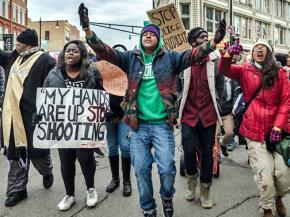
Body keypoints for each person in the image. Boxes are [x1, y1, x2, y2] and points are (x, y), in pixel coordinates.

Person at [78, 3, 226, 217]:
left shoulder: (172, 58)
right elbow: (105, 51)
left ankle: (167, 197)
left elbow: (195, 54)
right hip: (137, 127)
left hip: (162, 126)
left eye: (152, 34)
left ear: (158, 39)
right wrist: (87, 30)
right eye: (145, 34)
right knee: (141, 170)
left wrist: (214, 42)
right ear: (141, 39)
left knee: (167, 170)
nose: (147, 36)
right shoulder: (130, 58)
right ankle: (148, 208)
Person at [219, 40, 290, 217]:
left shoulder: (280, 73)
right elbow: (224, 70)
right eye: (256, 48)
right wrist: (227, 54)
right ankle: (266, 208)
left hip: (278, 132)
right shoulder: (244, 69)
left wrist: (278, 127)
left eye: (263, 48)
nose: (259, 51)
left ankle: (278, 198)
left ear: (269, 53)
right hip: (254, 131)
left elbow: (286, 101)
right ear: (252, 53)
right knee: (264, 174)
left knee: (283, 174)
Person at [42, 40, 100, 211]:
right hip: (63, 127)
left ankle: (91, 190)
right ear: (63, 54)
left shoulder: (90, 74)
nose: (70, 54)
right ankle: (69, 195)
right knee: (66, 160)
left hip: (84, 125)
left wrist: (103, 112)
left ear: (81, 54)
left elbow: (100, 95)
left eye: (74, 51)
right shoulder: (53, 74)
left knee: (85, 158)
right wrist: (41, 115)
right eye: (68, 51)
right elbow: (45, 98)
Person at [0, 29, 55, 207]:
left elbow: (53, 89)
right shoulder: (12, 57)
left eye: (19, 42)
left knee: (38, 155)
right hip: (12, 116)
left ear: (29, 44)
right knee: (15, 155)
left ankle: (47, 172)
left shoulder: (46, 60)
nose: (15, 45)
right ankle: (17, 190)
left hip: (34, 116)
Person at [178, 27, 223, 209]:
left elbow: (220, 87)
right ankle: (191, 181)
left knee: (207, 154)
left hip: (208, 116)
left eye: (207, 36)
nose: (205, 39)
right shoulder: (184, 61)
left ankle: (205, 189)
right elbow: (175, 86)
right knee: (188, 151)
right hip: (188, 116)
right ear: (193, 41)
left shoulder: (215, 61)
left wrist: (218, 106)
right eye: (201, 37)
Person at [105, 95, 132, 197]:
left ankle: (127, 181)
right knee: (112, 147)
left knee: (125, 146)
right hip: (108, 115)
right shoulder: (98, 78)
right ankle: (115, 179)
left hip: (124, 112)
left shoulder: (126, 78)